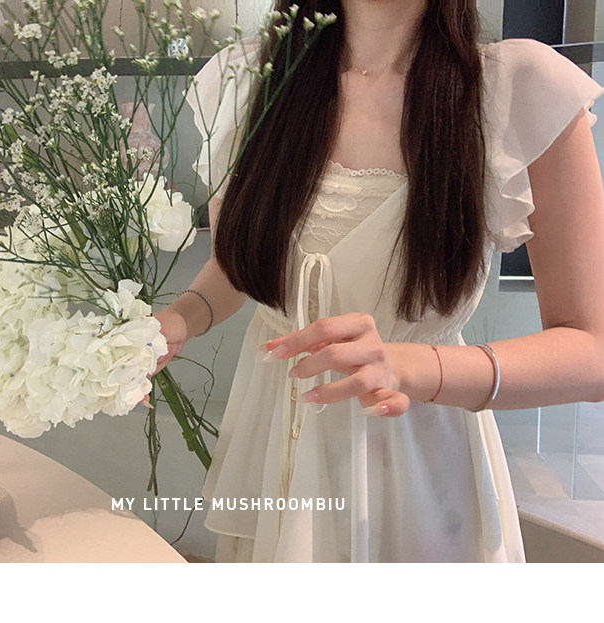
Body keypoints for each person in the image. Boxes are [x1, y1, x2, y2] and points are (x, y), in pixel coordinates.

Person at [151, 0, 604, 562]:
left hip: (412, 463)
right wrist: (179, 318)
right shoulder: (248, 79)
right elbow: (243, 261)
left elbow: (592, 350)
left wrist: (412, 365)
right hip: (273, 447)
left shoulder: (516, 90)